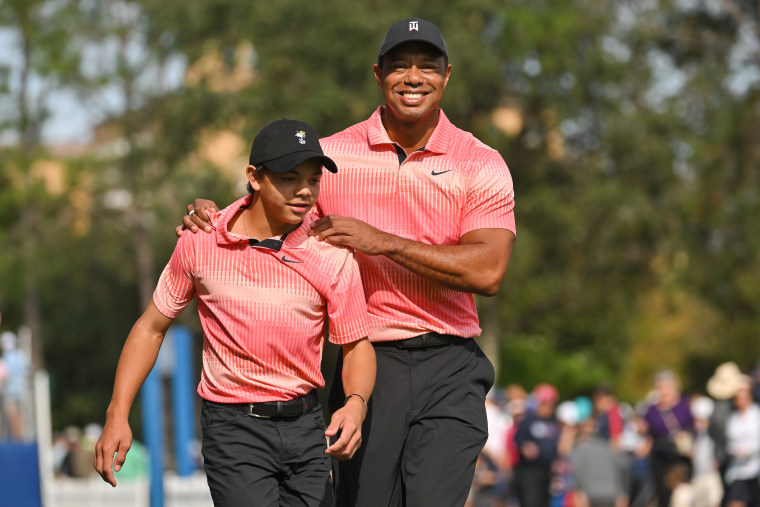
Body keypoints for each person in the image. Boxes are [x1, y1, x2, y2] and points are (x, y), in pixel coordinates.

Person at [179, 16, 516, 507]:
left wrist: (384, 242)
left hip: (452, 365)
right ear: (378, 75)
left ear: (448, 75)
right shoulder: (333, 157)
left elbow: (488, 271)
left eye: (428, 66)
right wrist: (208, 215)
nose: (414, 77)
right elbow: (264, 217)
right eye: (399, 66)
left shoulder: (480, 161)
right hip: (367, 363)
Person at [94, 119, 376, 507]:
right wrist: (117, 412)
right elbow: (150, 328)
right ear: (254, 177)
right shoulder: (201, 240)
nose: (305, 191)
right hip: (233, 429)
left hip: (308, 426)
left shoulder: (331, 251)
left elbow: (357, 345)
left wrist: (356, 403)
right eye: (290, 178)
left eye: (314, 179)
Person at [642, 369, 695, 507]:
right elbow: (647, 430)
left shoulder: (684, 406)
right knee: (663, 495)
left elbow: (694, 428)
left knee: (681, 495)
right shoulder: (652, 410)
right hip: (660, 456)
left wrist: (687, 439)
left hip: (679, 456)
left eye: (667, 387)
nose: (664, 391)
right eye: (660, 387)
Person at [512, 383, 560, 507]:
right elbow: (518, 438)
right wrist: (525, 447)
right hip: (529, 471)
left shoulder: (555, 422)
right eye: (543, 403)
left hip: (547, 471)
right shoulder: (529, 420)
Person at [723, 375, 760, 507]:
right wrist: (734, 452)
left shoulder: (757, 415)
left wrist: (748, 451)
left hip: (756, 470)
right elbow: (729, 443)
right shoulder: (733, 419)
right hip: (738, 471)